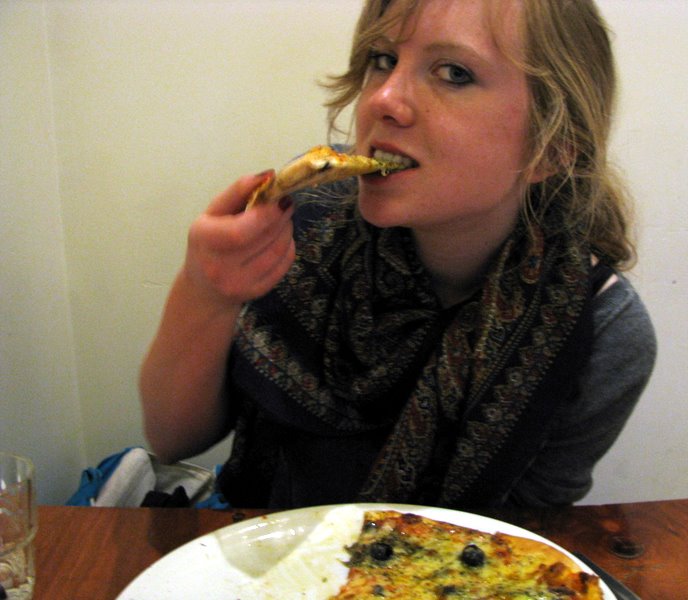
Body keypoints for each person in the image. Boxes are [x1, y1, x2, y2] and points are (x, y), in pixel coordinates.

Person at [139, 0, 656, 509]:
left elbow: (527, 533)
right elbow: (174, 440)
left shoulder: (600, 329)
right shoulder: (301, 223)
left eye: (454, 73)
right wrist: (205, 295)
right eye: (383, 59)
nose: (383, 99)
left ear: (553, 147)